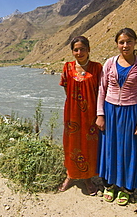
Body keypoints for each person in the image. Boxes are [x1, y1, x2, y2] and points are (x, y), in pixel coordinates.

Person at [96, 28, 137, 205]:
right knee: (109, 147)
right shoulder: (109, 63)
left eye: (129, 41)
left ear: (135, 42)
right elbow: (102, 90)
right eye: (121, 42)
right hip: (110, 110)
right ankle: (109, 184)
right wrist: (100, 114)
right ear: (117, 44)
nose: (125, 45)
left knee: (129, 149)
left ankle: (127, 188)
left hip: (131, 112)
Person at [59, 36, 102, 195]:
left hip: (91, 114)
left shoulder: (97, 68)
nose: (79, 52)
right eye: (76, 49)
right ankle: (70, 175)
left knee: (89, 146)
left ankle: (87, 178)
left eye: (82, 49)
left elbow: (101, 92)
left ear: (89, 50)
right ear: (72, 52)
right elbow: (66, 88)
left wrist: (100, 114)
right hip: (72, 114)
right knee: (71, 144)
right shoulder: (67, 67)